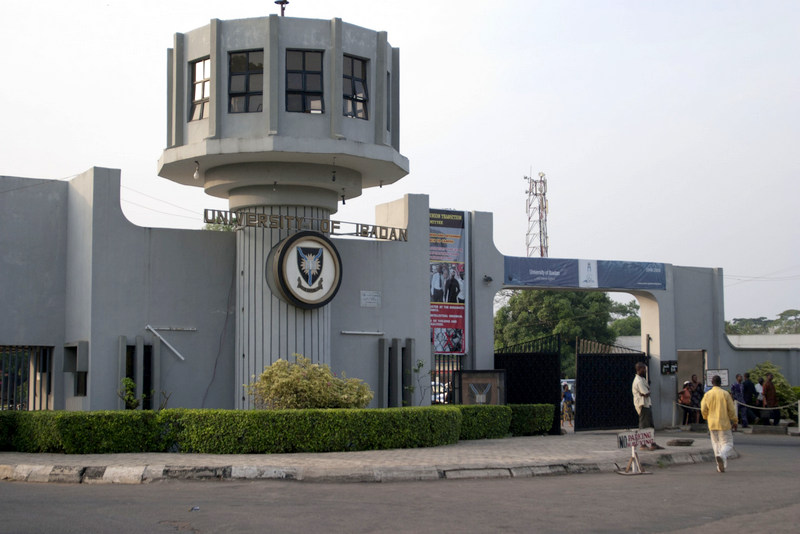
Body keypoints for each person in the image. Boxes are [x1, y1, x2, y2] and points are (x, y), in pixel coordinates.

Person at [701, 374, 738, 473]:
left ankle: (720, 466)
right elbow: (731, 410)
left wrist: (706, 417)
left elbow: (703, 409)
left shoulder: (707, 394)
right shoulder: (725, 394)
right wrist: (735, 421)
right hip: (724, 423)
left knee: (716, 444)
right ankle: (722, 456)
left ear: (712, 383)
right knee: (728, 443)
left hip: (712, 423)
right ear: (720, 383)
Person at [631, 362, 664, 450]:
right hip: (643, 405)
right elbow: (646, 393)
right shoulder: (638, 381)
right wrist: (646, 393)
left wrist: (646, 393)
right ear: (639, 369)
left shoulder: (642, 379)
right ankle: (643, 444)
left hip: (647, 404)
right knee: (644, 426)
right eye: (644, 369)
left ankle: (652, 443)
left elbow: (646, 392)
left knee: (650, 425)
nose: (645, 370)